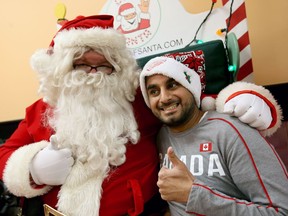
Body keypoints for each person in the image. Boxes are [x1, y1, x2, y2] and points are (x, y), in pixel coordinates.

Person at [0, 15, 282, 216]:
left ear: (117, 68)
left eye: (104, 65)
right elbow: (6, 154)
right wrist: (33, 168)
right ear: (62, 69)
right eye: (82, 65)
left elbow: (185, 105)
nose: (94, 73)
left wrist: (240, 97)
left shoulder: (136, 100)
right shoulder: (40, 110)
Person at [139, 56, 288, 216]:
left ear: (191, 88)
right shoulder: (161, 136)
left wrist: (194, 196)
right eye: (154, 91)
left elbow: (281, 211)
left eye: (172, 85)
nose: (164, 98)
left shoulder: (230, 131)